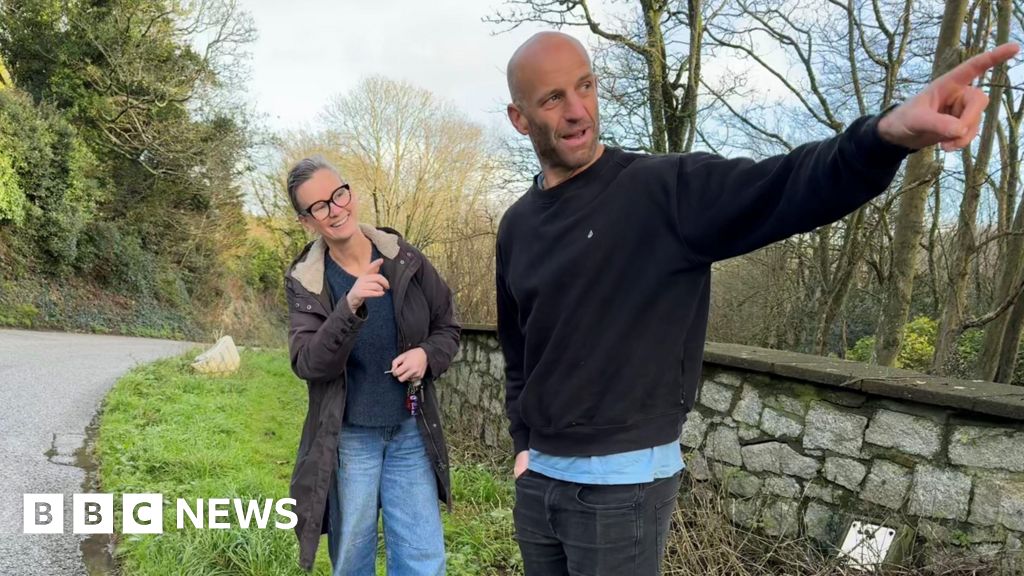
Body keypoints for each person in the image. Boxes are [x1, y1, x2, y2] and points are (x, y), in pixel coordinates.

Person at [496, 31, 1019, 576]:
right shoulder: (516, 226)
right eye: (553, 98)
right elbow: (519, 350)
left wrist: (886, 135)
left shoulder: (664, 190)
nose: (578, 110)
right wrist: (523, 446)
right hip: (540, 484)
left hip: (621, 487)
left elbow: (787, 185)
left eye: (585, 86)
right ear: (520, 118)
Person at [283, 156, 460, 576]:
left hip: (410, 434)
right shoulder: (307, 280)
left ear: (351, 193)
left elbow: (447, 326)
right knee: (352, 561)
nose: (335, 209)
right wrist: (350, 305)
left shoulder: (404, 258)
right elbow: (308, 362)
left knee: (423, 559)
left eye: (338, 195)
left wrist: (426, 356)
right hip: (350, 441)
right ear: (307, 221)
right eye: (319, 206)